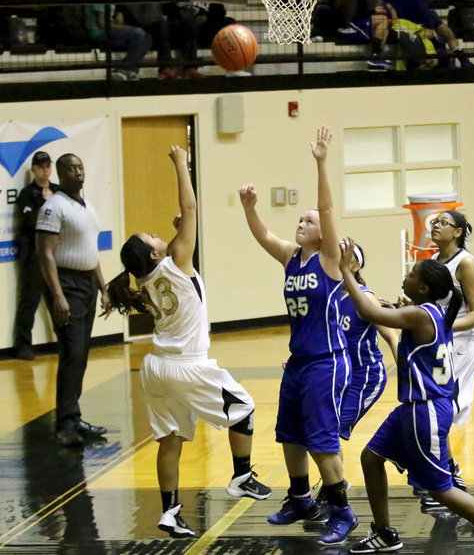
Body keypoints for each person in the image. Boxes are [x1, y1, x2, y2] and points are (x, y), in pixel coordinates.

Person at [106, 146, 271, 538]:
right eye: (152, 236)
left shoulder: (146, 280)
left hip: (156, 368)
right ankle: (241, 476)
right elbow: (191, 209)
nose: (157, 232)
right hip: (187, 365)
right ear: (153, 252)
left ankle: (169, 512)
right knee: (244, 410)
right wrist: (181, 163)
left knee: (171, 441)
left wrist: (177, 232)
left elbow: (177, 237)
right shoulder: (177, 260)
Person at [338, 239, 474, 555]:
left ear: (425, 288)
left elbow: (366, 309)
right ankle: (384, 532)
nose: (407, 275)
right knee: (370, 458)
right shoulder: (433, 313)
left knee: (440, 489)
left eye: (413, 273)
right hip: (413, 408)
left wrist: (346, 272)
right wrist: (399, 308)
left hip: (426, 409)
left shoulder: (420, 316)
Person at [238, 126, 357, 547]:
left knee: (321, 441)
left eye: (308, 220)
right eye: (301, 220)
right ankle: (300, 498)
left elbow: (325, 207)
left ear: (322, 232)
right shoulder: (292, 258)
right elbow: (263, 236)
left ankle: (343, 511)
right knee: (288, 434)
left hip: (327, 361)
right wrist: (250, 208)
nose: (302, 222)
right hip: (298, 362)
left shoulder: (329, 259)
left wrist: (322, 161)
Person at [36, 153, 112, 446]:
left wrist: (103, 288)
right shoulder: (53, 208)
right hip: (65, 284)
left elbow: (90, 252)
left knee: (80, 354)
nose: (78, 172)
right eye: (71, 168)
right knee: (71, 353)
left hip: (85, 285)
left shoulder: (86, 205)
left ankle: (74, 416)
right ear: (60, 173)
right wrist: (58, 296)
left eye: (81, 166)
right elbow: (45, 254)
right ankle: (65, 424)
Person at [424, 209, 474, 504]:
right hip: (444, 340)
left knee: (444, 407)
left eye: (443, 223)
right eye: (434, 222)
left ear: (458, 232)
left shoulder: (466, 263)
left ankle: (448, 475)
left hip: (465, 340)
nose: (436, 226)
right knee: (435, 405)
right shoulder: (434, 263)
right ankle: (446, 470)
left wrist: (442, 326)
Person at [338, 241, 397, 441]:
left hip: (364, 376)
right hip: (337, 376)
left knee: (333, 429)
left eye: (345, 256)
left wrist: (408, 377)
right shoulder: (329, 296)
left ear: (355, 266)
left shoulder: (365, 297)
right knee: (319, 429)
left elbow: (391, 336)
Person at [12, 151, 59, 360]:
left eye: (48, 165)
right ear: (34, 170)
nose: (45, 169)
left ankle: (65, 340)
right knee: (28, 302)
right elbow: (33, 224)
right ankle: (23, 344)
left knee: (59, 299)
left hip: (57, 256)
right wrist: (46, 204)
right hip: (33, 257)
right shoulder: (27, 194)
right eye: (41, 166)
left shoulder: (59, 191)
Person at [382, 0, 474, 68]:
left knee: (446, 30)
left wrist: (432, 27)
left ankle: (463, 60)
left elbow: (425, 12)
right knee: (427, 36)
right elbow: (395, 19)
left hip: (424, 22)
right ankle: (443, 61)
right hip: (409, 26)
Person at [337, 0, 393, 72]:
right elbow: (354, 14)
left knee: (385, 25)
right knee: (383, 20)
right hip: (352, 26)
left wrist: (389, 10)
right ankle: (375, 56)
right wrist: (373, 11)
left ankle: (377, 57)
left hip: (364, 24)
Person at [84, 4, 152, 81]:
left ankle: (125, 69)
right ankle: (129, 70)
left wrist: (118, 18)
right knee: (138, 33)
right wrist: (125, 27)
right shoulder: (100, 0)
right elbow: (102, 23)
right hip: (100, 33)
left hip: (111, 31)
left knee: (148, 37)